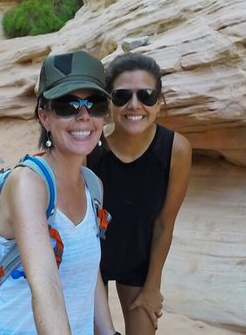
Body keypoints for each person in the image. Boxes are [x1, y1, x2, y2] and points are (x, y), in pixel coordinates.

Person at [0, 50, 117, 334]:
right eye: (67, 105)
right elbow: (45, 283)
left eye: (94, 104)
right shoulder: (28, 184)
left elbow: (89, 270)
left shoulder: (93, 185)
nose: (84, 116)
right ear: (44, 117)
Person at [87, 53, 192, 334]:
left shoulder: (175, 150)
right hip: (90, 265)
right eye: (122, 96)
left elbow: (164, 224)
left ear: (159, 101)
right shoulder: (90, 152)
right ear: (109, 101)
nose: (134, 105)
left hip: (139, 263)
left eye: (146, 95)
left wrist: (152, 287)